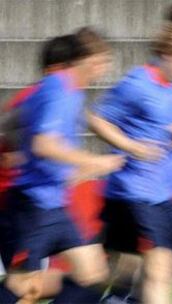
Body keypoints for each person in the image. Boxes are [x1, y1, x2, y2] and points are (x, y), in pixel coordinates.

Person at [0, 33, 124, 304]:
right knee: (24, 288)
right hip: (32, 205)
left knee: (92, 274)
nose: (104, 68)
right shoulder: (55, 90)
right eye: (100, 60)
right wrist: (92, 161)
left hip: (53, 203)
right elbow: (42, 146)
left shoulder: (68, 94)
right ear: (79, 61)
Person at [88, 21, 172, 304]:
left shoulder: (171, 87)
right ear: (167, 54)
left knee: (119, 270)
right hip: (133, 191)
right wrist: (131, 147)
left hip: (158, 190)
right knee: (160, 266)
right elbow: (97, 119)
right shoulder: (137, 83)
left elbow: (152, 122)